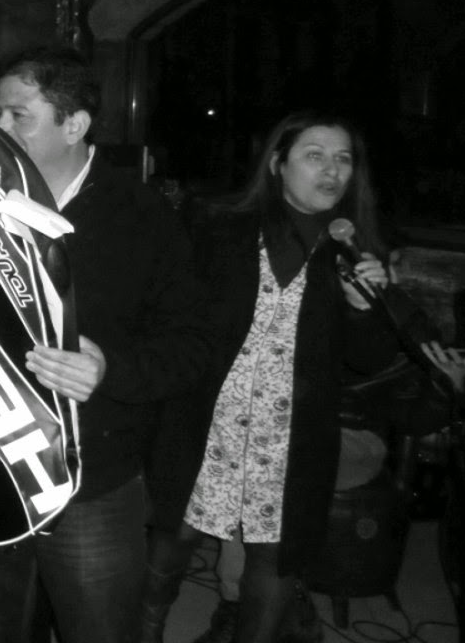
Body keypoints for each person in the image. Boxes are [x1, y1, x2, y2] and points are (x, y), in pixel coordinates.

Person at [0, 46, 212, 643]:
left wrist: (110, 369)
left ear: (75, 125)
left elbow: (193, 344)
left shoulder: (142, 214)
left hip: (92, 478)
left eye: (19, 115)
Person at [140, 109, 401, 643]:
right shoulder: (219, 227)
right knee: (170, 545)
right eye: (315, 156)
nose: (332, 170)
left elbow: (371, 359)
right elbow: (170, 313)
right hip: (204, 422)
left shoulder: (355, 251)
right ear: (279, 163)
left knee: (275, 560)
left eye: (343, 159)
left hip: (290, 439)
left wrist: (364, 308)